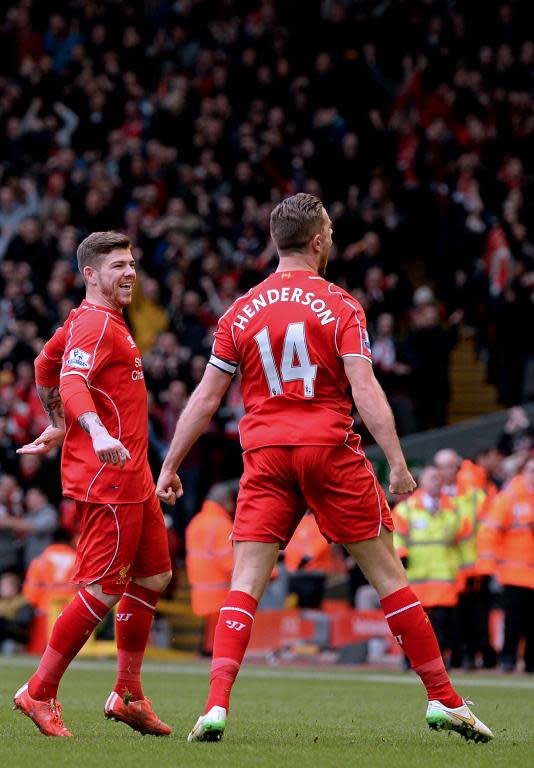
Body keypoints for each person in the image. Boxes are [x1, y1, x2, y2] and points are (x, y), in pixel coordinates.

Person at [156, 193, 493, 743]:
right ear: (318, 240)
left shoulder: (239, 309)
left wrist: (170, 464)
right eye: (331, 232)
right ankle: (444, 700)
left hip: (265, 453)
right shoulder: (340, 305)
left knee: (245, 582)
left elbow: (205, 398)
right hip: (328, 448)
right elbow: (364, 388)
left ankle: (215, 705)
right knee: (388, 576)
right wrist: (400, 464)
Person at [13, 231, 172, 737]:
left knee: (154, 577)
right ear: (90, 275)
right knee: (104, 588)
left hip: (136, 477)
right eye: (117, 266)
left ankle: (127, 693)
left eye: (131, 263)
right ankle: (38, 691)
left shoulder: (94, 322)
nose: (129, 272)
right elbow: (69, 379)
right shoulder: (97, 325)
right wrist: (91, 428)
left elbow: (44, 365)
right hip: (111, 480)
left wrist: (58, 423)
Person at [392, 466, 470, 666]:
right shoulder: (407, 509)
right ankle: (409, 660)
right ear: (422, 482)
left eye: (438, 478)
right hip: (416, 574)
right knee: (412, 623)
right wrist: (401, 554)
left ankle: (439, 661)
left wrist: (466, 571)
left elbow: (464, 538)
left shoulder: (452, 509)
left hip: (443, 576)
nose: (437, 482)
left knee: (442, 624)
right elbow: (396, 534)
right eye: (432, 478)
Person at [477, 455, 534, 672]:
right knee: (514, 621)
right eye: (531, 470)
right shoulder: (510, 497)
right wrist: (488, 567)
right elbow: (490, 531)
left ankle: (530, 663)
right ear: (523, 472)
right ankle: (508, 659)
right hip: (514, 572)